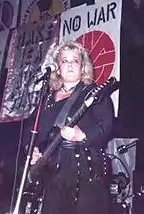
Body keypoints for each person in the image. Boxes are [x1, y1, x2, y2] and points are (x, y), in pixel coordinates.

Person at [26, 41, 114, 214]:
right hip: (52, 174)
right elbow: (32, 130)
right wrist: (33, 148)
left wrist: (83, 135)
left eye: (75, 60)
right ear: (58, 68)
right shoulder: (47, 100)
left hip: (84, 173)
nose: (70, 64)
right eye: (65, 61)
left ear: (82, 67)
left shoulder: (92, 94)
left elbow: (107, 124)